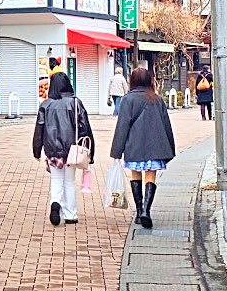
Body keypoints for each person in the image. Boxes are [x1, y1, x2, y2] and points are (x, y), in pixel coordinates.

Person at [111, 67, 177, 230]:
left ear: (133, 81)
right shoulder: (156, 99)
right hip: (155, 145)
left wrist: (116, 150)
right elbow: (166, 124)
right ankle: (147, 211)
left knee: (135, 176)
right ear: (149, 81)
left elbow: (122, 126)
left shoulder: (128, 100)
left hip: (134, 145)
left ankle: (140, 211)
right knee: (150, 176)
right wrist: (169, 147)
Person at [32, 71, 95, 227]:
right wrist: (91, 150)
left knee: (56, 180)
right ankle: (70, 214)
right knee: (69, 181)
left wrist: (36, 150)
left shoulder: (45, 105)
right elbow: (84, 127)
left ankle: (55, 203)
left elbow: (39, 129)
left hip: (52, 150)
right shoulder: (75, 103)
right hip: (72, 149)